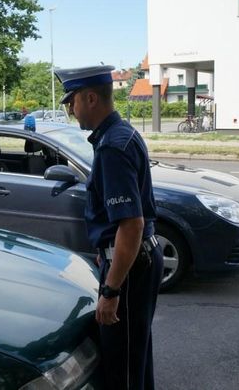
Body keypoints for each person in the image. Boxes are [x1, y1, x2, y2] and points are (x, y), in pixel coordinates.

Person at [55, 66, 164, 390]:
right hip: (135, 261)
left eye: (71, 102)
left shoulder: (112, 147)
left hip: (130, 269)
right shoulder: (122, 133)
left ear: (90, 98)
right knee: (136, 357)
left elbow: (131, 224)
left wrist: (111, 291)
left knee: (122, 368)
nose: (70, 111)